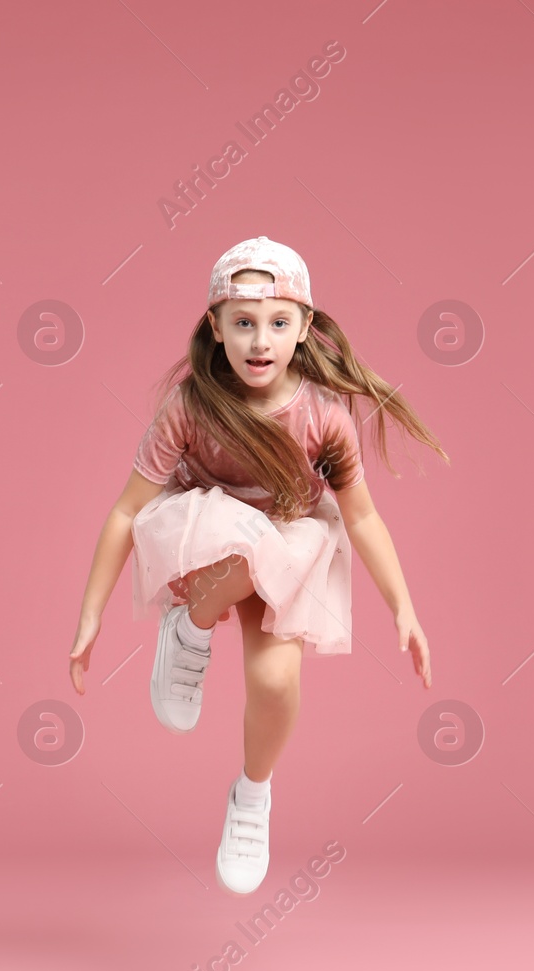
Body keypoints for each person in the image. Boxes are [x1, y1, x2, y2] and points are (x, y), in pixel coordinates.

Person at [68, 235, 448, 894]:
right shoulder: (189, 407)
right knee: (243, 542)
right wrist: (90, 616)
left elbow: (360, 517)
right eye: (242, 323)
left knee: (275, 684)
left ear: (304, 328)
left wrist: (404, 608)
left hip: (290, 551)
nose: (259, 339)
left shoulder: (323, 417)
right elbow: (128, 511)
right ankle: (189, 628)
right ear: (215, 328)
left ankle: (252, 796)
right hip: (205, 544)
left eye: (277, 322)